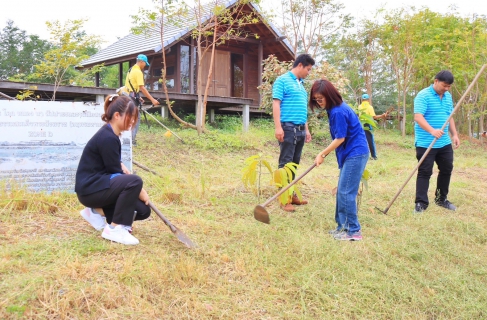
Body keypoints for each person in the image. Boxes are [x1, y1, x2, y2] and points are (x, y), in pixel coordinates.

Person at [75, 95, 151, 245]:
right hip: (90, 189)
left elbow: (114, 165)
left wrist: (124, 171)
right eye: (130, 117)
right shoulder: (107, 137)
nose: (132, 122)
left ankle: (95, 212)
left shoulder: (111, 135)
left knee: (143, 210)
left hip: (100, 186)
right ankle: (115, 229)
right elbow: (115, 171)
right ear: (117, 116)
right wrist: (140, 190)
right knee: (135, 181)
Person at [311, 79, 369, 241]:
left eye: (321, 99)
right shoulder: (334, 109)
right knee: (343, 191)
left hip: (355, 153)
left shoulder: (338, 111)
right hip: (351, 153)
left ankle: (353, 231)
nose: (318, 102)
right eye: (316, 99)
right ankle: (342, 227)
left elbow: (340, 138)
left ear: (329, 95)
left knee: (345, 192)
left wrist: (322, 154)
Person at [272, 53, 315, 212]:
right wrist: (278, 127)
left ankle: (290, 193)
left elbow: (302, 110)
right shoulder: (282, 80)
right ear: (300, 65)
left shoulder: (301, 85)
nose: (308, 73)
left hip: (300, 130)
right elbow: (276, 104)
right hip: (287, 128)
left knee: (294, 164)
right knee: (285, 164)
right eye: (308, 69)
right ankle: (283, 198)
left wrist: (307, 129)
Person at [413, 70, 460, 213]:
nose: (446, 89)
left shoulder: (447, 97)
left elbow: (449, 117)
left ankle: (441, 199)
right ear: (436, 81)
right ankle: (421, 203)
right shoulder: (423, 95)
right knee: (425, 172)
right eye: (444, 85)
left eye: (449, 86)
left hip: (444, 142)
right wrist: (432, 130)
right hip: (426, 142)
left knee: (446, 169)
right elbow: (418, 117)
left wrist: (455, 135)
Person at [122, 54, 160, 145]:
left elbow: (131, 86)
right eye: (144, 64)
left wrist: (138, 97)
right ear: (141, 62)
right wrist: (152, 100)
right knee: (135, 118)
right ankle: (131, 141)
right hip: (131, 97)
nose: (145, 66)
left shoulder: (130, 70)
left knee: (129, 118)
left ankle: (127, 139)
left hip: (127, 95)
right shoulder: (138, 72)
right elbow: (142, 88)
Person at [358, 93, 387, 160]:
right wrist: (382, 116)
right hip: (367, 124)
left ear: (362, 100)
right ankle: (374, 156)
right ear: (368, 99)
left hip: (360, 124)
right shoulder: (370, 107)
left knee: (362, 140)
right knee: (370, 140)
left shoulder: (359, 107)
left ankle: (362, 155)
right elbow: (374, 117)